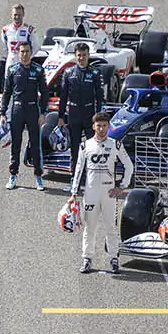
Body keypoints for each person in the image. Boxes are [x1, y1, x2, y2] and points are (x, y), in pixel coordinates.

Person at [69, 112, 134, 273]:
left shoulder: (115, 144)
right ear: (93, 127)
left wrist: (121, 186)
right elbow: (78, 170)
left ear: (108, 127)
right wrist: (73, 193)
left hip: (109, 194)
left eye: (105, 125)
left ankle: (113, 259)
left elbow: (129, 166)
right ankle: (87, 259)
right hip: (90, 193)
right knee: (89, 228)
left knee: (111, 228)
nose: (102, 129)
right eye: (99, 125)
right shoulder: (85, 145)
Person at [4, 42, 48, 190]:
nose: (24, 54)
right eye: (22, 52)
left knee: (35, 145)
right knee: (16, 144)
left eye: (27, 51)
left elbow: (45, 93)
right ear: (18, 53)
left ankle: (38, 177)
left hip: (32, 110)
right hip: (17, 110)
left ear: (31, 52)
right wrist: (3, 112)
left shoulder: (38, 70)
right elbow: (7, 92)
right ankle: (13, 175)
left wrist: (43, 113)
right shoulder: (12, 70)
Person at [57, 43, 108, 168]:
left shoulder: (95, 72)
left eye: (84, 55)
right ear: (75, 56)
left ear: (88, 55)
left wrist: (99, 116)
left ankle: (92, 174)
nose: (81, 58)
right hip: (74, 113)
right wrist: (60, 116)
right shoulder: (68, 72)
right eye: (79, 55)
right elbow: (63, 96)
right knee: (75, 146)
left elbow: (100, 97)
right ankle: (74, 176)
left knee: (93, 145)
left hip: (90, 113)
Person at [1, 4, 36, 78]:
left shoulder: (29, 30)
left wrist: (28, 57)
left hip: (24, 63)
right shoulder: (5, 30)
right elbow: (4, 47)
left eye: (19, 15)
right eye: (15, 15)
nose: (17, 17)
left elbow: (36, 46)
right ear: (12, 15)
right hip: (11, 61)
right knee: (8, 84)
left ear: (23, 15)